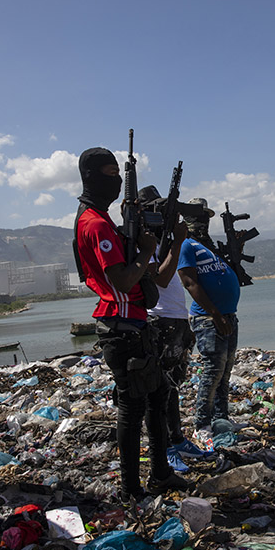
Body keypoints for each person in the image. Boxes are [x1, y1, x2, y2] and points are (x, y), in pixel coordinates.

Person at [73, 147, 189, 499]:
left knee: (156, 398)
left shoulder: (100, 220)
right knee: (132, 408)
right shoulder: (94, 223)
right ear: (92, 177)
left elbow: (147, 276)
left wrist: (152, 250)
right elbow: (122, 281)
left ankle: (160, 473)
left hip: (132, 323)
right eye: (110, 174)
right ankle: (131, 487)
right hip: (121, 325)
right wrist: (143, 249)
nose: (116, 181)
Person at [137, 187, 208, 472]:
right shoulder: (141, 242)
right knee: (159, 390)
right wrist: (177, 241)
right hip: (158, 320)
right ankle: (164, 447)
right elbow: (162, 279)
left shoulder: (159, 240)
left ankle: (177, 439)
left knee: (172, 387)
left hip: (176, 318)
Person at [177, 198, 241, 439]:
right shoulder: (186, 245)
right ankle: (201, 423)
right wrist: (215, 314)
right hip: (208, 318)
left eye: (206, 218)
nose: (203, 222)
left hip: (227, 316)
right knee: (212, 370)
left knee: (225, 371)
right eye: (199, 217)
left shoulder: (209, 246)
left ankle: (220, 418)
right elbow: (189, 282)